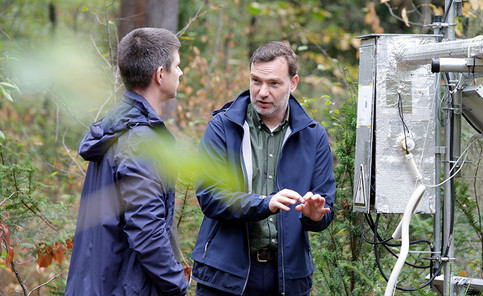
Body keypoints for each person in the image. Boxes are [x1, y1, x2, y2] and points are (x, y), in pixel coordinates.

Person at [191, 41, 336, 295]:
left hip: (287, 279)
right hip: (224, 277)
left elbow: (326, 210)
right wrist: (264, 203)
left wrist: (315, 215)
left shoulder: (314, 136)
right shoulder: (223, 127)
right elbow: (210, 196)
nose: (262, 92)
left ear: (293, 84)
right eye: (256, 80)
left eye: (274, 83)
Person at [65, 28, 188, 296]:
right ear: (160, 74)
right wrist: (178, 285)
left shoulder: (119, 127)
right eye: (177, 66)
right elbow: (147, 232)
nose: (180, 73)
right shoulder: (140, 141)